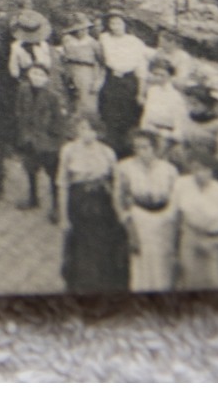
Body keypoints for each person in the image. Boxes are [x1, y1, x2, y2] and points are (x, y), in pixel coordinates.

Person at [57, 113, 128, 294]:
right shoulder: (69, 150)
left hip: (101, 203)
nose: (86, 133)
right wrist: (64, 217)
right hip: (78, 203)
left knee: (101, 245)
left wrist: (119, 212)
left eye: (91, 129)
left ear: (98, 131)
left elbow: (116, 183)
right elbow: (63, 184)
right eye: (82, 129)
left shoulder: (107, 152)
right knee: (80, 247)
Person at [170, 151, 218, 290]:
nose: (199, 174)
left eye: (205, 169)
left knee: (214, 282)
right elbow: (174, 214)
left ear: (213, 171)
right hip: (189, 238)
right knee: (187, 282)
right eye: (195, 169)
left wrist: (215, 242)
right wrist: (175, 245)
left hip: (214, 242)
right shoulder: (182, 184)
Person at [114, 129, 179, 292]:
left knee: (164, 263)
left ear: (154, 148)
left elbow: (176, 197)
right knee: (141, 262)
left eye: (145, 147)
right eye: (137, 148)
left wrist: (172, 218)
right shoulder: (124, 167)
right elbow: (118, 197)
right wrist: (127, 222)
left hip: (165, 220)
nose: (140, 152)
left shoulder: (169, 169)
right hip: (139, 218)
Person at [14, 62, 66, 220]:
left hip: (48, 141)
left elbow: (59, 121)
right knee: (30, 168)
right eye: (33, 74)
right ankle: (33, 198)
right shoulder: (24, 90)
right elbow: (19, 110)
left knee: (52, 174)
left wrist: (54, 140)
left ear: (47, 78)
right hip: (29, 137)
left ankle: (56, 207)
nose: (36, 78)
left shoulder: (53, 96)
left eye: (40, 75)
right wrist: (24, 131)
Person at [97, 10, 151, 155]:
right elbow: (101, 60)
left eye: (119, 23)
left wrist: (141, 92)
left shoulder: (134, 42)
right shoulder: (104, 39)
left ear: (125, 24)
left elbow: (141, 68)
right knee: (110, 116)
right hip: (112, 80)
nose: (115, 26)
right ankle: (113, 151)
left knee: (129, 117)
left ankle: (130, 151)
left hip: (129, 82)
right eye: (112, 23)